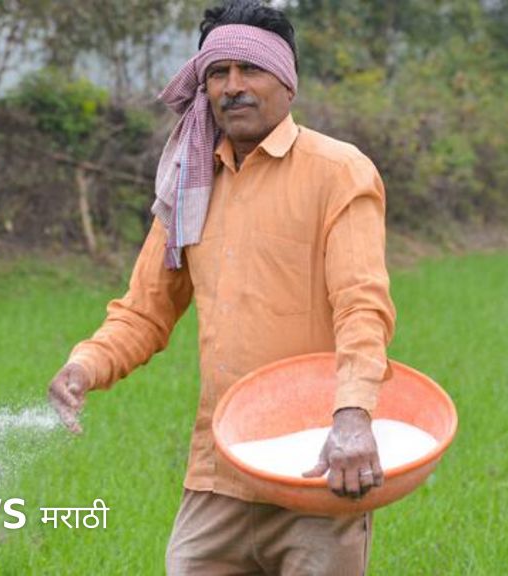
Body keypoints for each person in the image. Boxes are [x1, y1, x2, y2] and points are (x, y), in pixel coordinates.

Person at [48, 1, 396, 573]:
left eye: (249, 69)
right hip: (220, 471)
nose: (232, 87)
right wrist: (86, 365)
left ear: (286, 80)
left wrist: (354, 414)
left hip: (317, 466)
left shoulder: (338, 172)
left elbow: (363, 306)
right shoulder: (189, 182)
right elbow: (144, 312)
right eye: (217, 73)